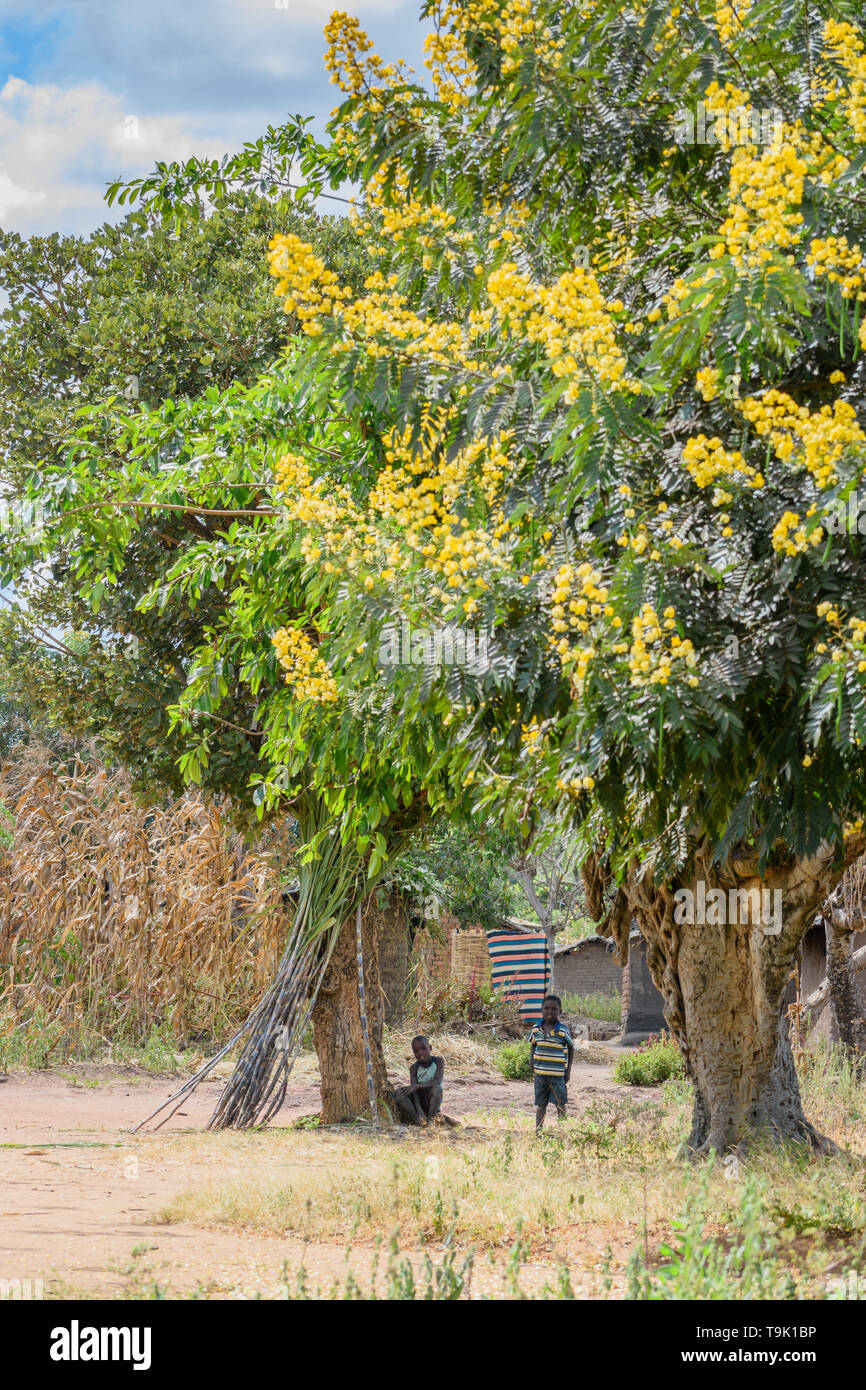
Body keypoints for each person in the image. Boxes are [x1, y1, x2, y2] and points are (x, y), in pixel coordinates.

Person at [528, 995, 574, 1131]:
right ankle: (539, 1131)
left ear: (560, 1012)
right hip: (540, 1075)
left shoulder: (562, 1030)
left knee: (560, 1104)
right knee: (541, 1104)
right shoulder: (535, 1029)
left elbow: (571, 1048)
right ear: (541, 1010)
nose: (550, 1012)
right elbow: (533, 1046)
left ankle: (563, 1130)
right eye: (546, 1008)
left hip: (558, 1075)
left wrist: (568, 1071)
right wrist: (531, 1063)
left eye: (554, 1009)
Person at [395, 1035, 444, 1126]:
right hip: (418, 1101)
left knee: (438, 1089)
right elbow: (414, 1092)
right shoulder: (414, 1068)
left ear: (430, 1048)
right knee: (399, 1092)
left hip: (431, 1099)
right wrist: (419, 1110)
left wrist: (417, 1086)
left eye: (423, 1048)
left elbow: (437, 1081)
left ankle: (431, 1118)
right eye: (416, 1051)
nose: (420, 1053)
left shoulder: (438, 1061)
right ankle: (417, 1118)